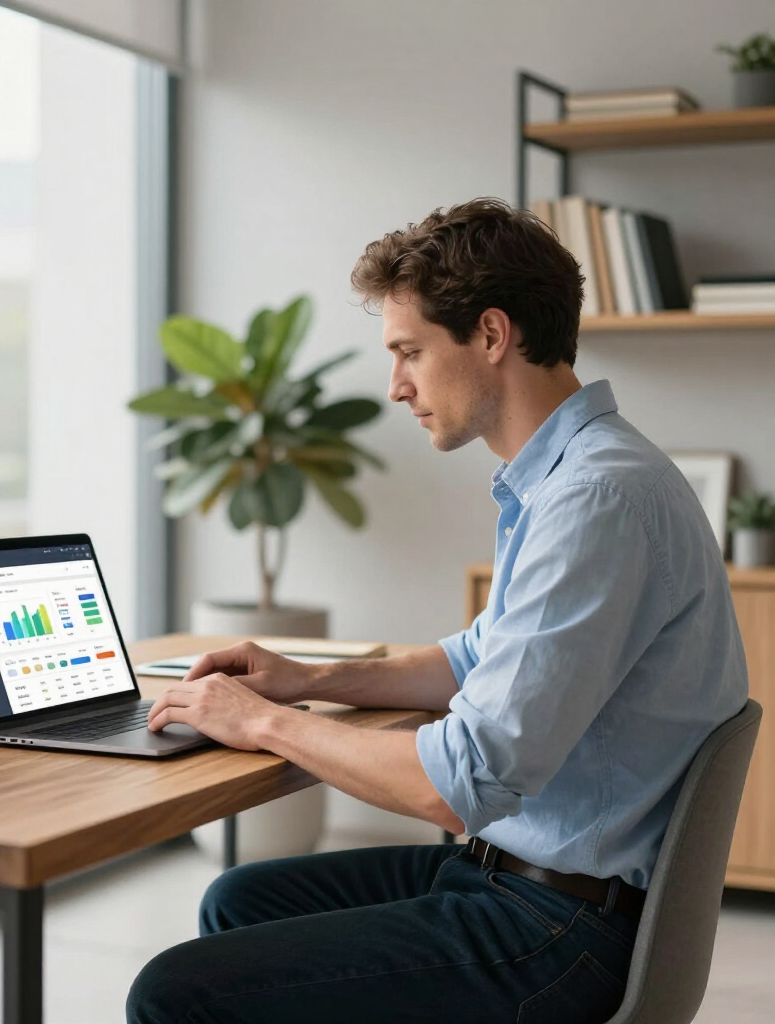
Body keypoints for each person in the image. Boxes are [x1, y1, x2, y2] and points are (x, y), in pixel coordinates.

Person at [126, 197, 748, 1024]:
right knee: (241, 899)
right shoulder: (575, 476)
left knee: (172, 994)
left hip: (555, 928)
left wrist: (264, 723)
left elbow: (461, 783)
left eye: (410, 352)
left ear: (491, 336)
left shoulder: (596, 499)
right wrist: (309, 677)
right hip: (517, 875)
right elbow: (473, 660)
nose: (395, 388)